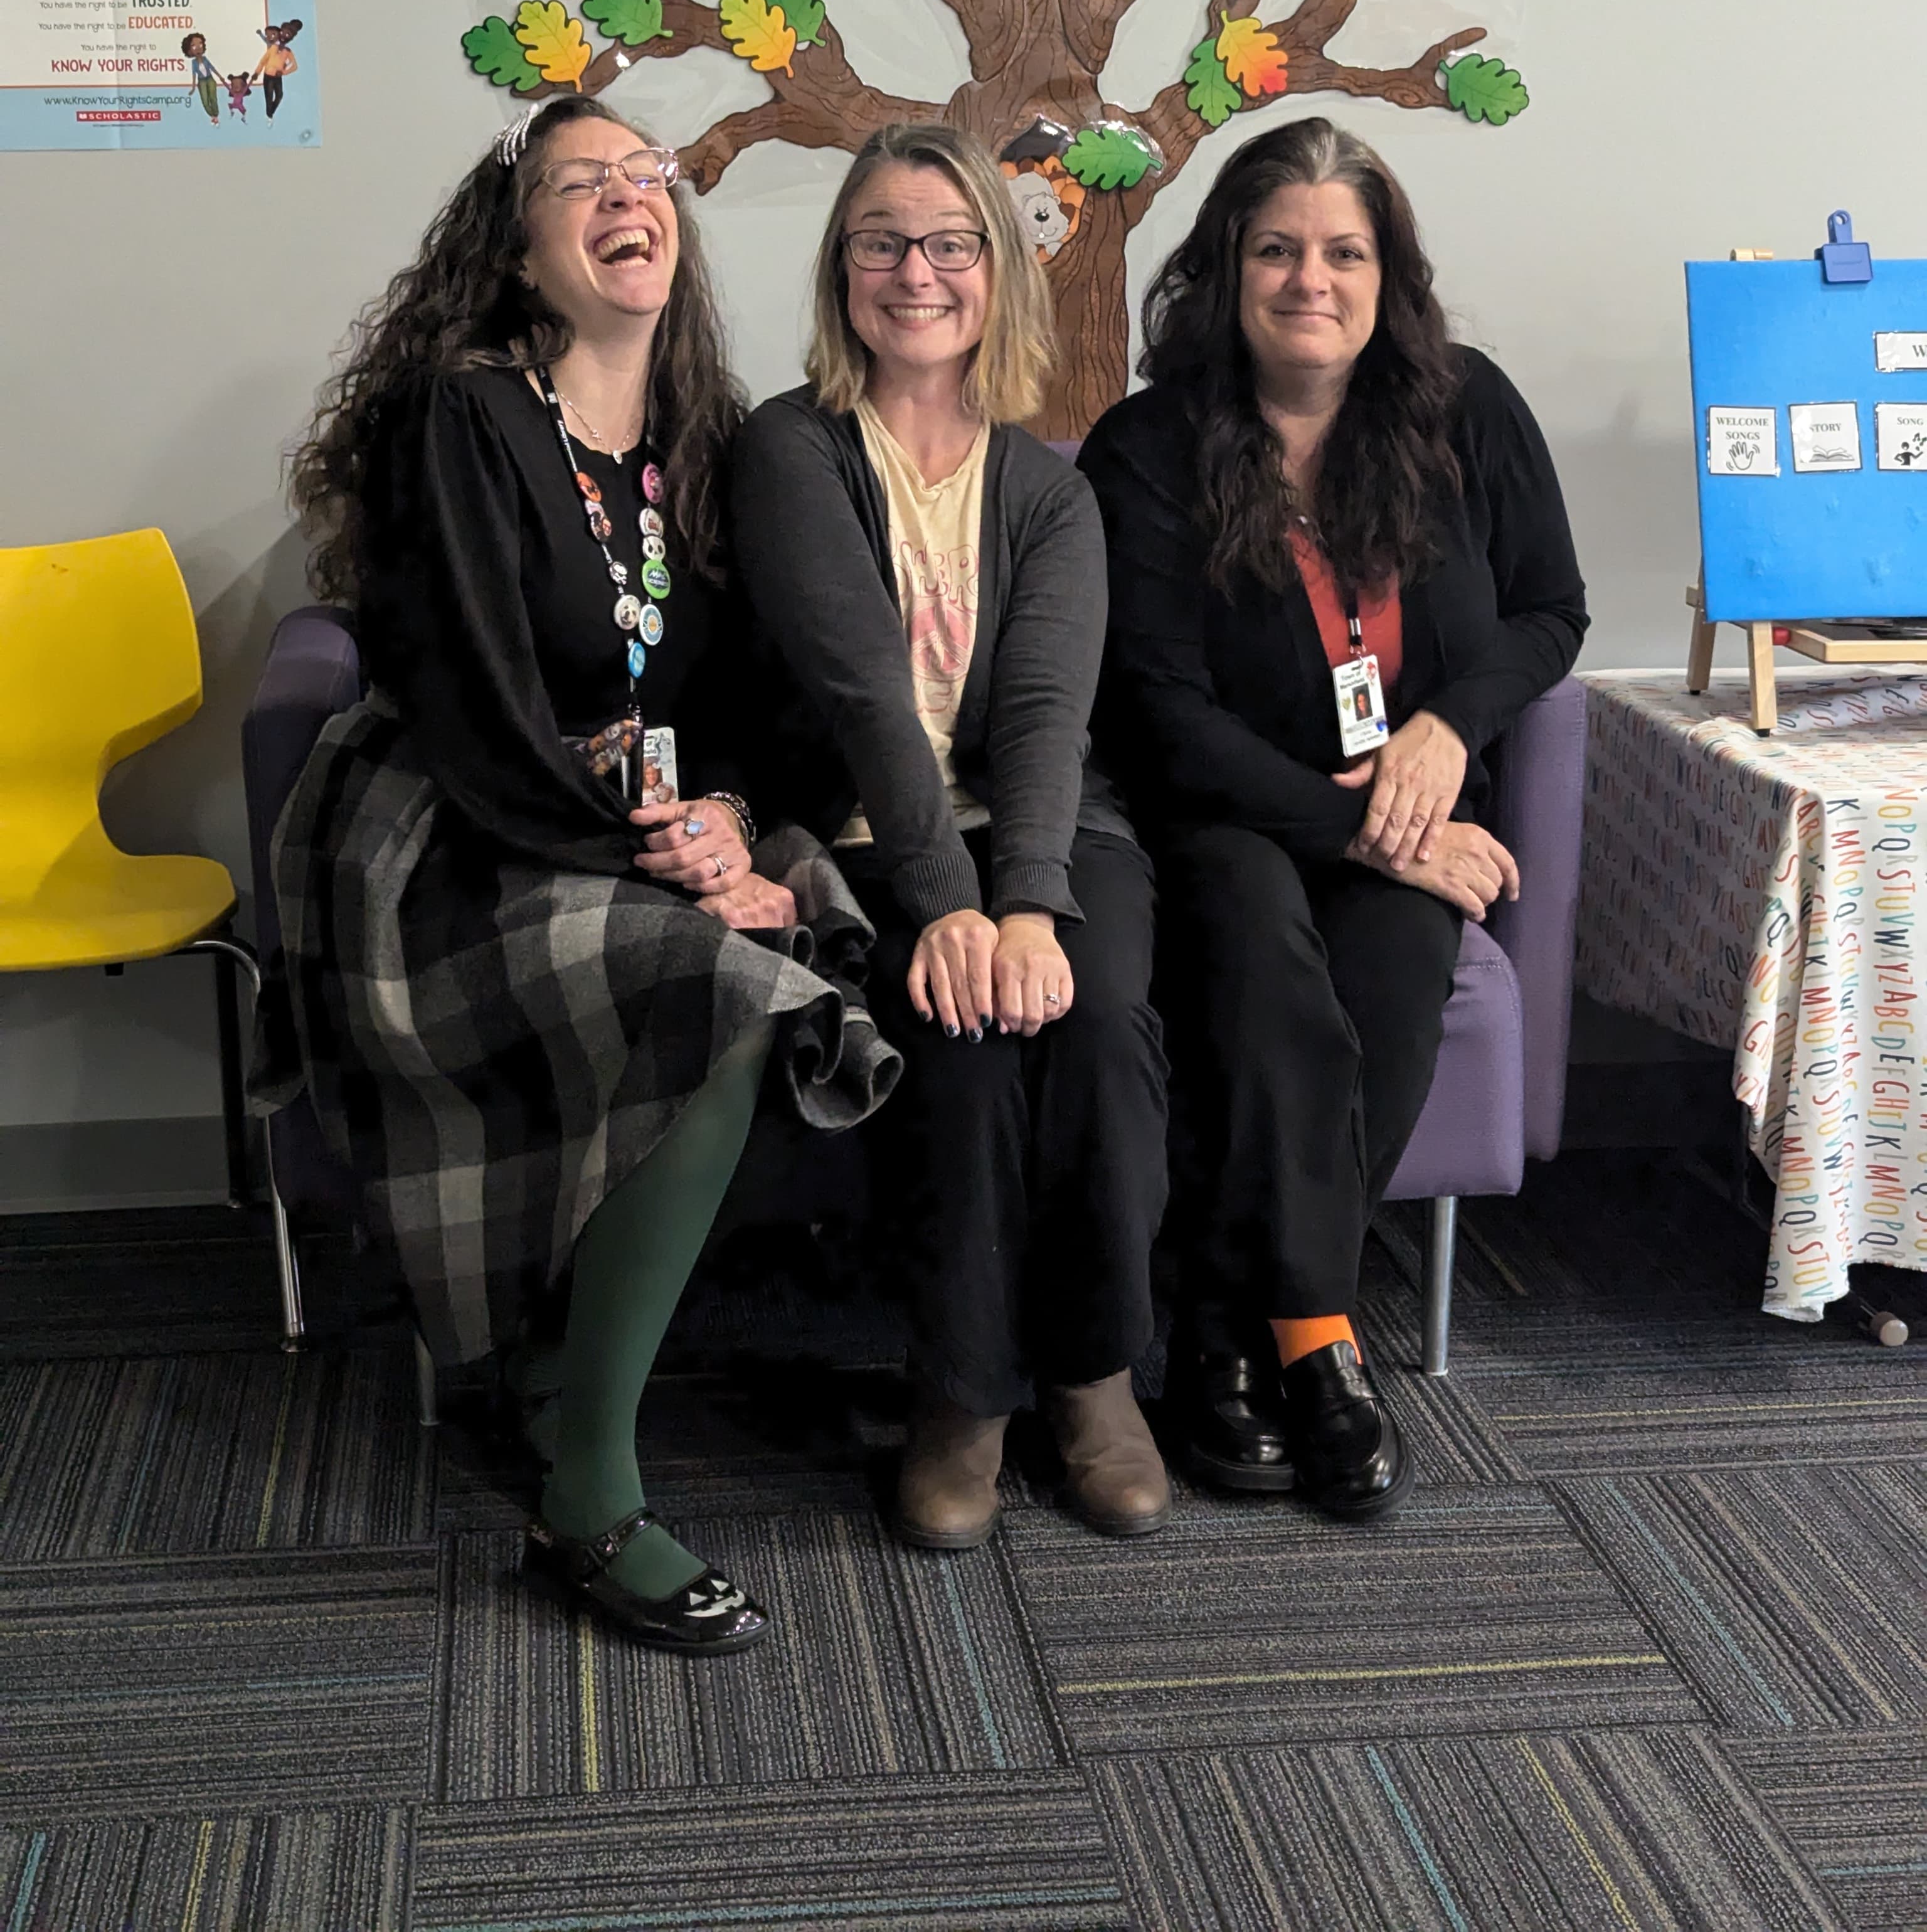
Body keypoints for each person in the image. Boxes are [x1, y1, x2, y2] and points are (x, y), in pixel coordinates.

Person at [268, 92, 896, 1655]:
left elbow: (769, 694)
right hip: (458, 835)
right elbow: (470, 693)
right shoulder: (465, 412)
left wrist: (735, 820)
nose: (629, 200)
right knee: (735, 996)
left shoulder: (713, 439)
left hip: (651, 828)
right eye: (580, 185)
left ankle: (555, 1379)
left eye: (649, 176)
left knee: (823, 925)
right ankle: (590, 1501)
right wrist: (664, 857)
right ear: (522, 245)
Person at [1080, 116, 1586, 1521]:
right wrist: (1373, 830)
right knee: (1258, 972)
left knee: (1397, 981)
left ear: (1390, 274)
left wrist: (1442, 728)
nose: (1313, 278)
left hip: (1412, 802)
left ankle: (1229, 1332)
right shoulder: (1150, 446)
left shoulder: (1467, 409)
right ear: (1226, 268)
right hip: (1230, 810)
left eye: (1345, 252)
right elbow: (1159, 708)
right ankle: (1321, 1335)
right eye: (1279, 248)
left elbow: (1552, 611)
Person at [731, 122, 1171, 1551]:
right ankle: (964, 1402)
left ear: (998, 269)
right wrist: (948, 909)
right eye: (879, 241)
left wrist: (1030, 903)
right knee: (965, 1039)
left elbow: (1048, 713)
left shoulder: (1053, 489)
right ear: (839, 267)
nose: (913, 272)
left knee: (1099, 1021)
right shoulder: (789, 449)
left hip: (1044, 828)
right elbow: (863, 693)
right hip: (870, 830)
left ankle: (1096, 1380)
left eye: (948, 243)